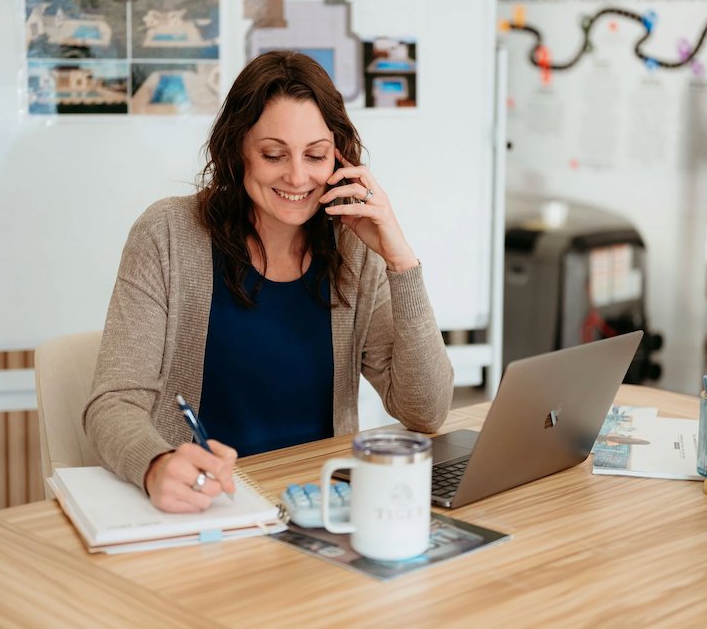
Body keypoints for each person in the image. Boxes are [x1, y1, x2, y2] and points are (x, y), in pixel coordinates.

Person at [83, 50, 453, 513]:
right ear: (237, 151)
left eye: (315, 155)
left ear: (338, 155)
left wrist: (400, 261)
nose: (298, 176)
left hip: (320, 505)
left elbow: (426, 410)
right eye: (273, 154)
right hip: (214, 505)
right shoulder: (168, 234)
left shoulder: (356, 248)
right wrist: (156, 463)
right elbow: (114, 402)